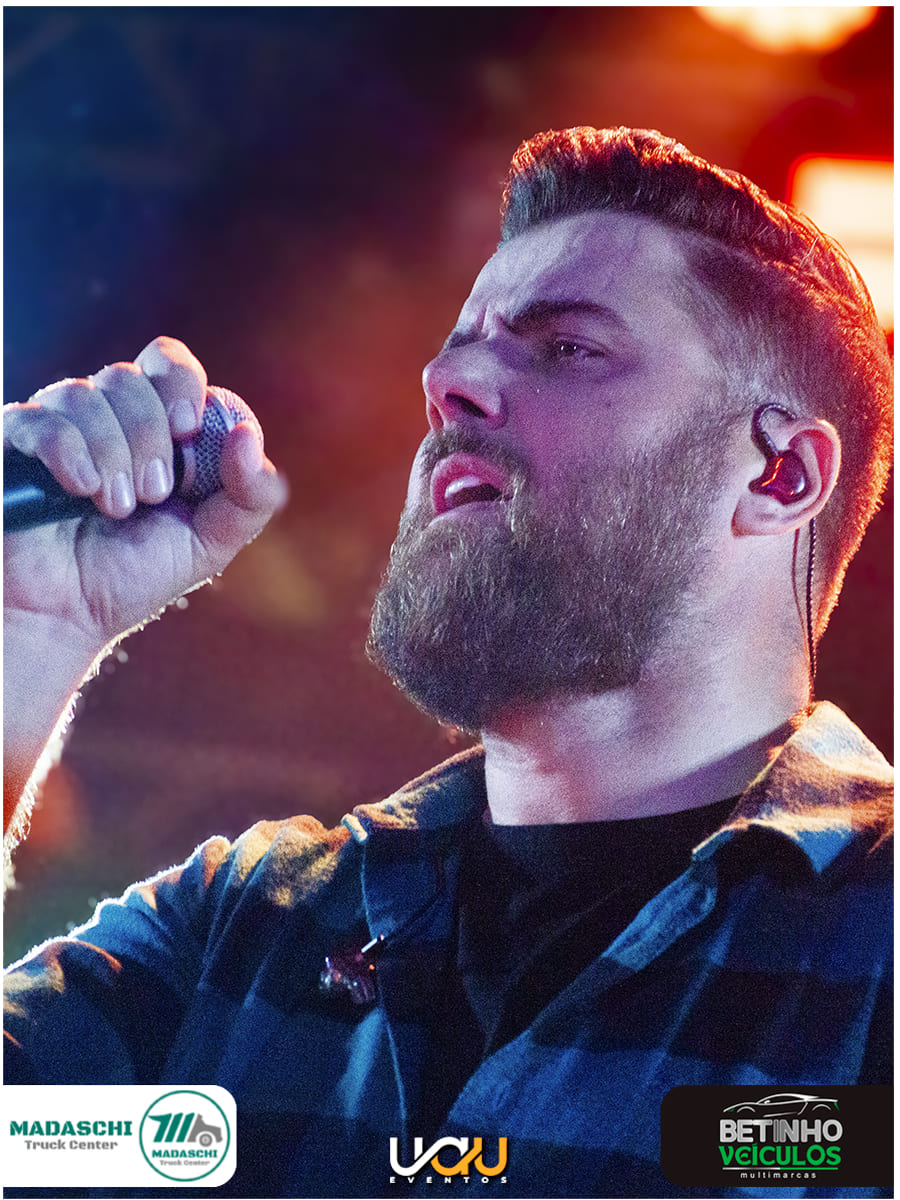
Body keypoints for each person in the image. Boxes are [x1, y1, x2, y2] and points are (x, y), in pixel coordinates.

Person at [3, 127, 892, 1199]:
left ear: (783, 474)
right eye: (460, 344)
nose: (448, 380)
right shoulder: (245, 927)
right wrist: (27, 631)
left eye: (568, 348)